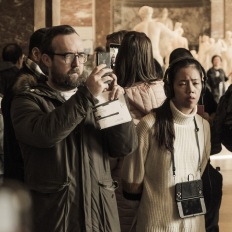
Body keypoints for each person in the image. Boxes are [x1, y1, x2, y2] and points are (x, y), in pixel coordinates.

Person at [10, 25, 138, 232]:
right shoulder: (27, 100)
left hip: (100, 216)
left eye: (81, 55)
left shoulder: (95, 96)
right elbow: (45, 135)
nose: (77, 64)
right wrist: (87, 95)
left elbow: (125, 146)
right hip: (57, 218)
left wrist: (115, 104)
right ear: (46, 59)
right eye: (68, 56)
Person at [122, 48, 211, 232]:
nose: (191, 90)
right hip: (157, 224)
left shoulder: (203, 126)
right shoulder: (150, 125)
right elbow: (132, 182)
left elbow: (199, 169)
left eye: (195, 83)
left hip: (194, 224)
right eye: (182, 84)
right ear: (170, 88)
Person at [112, 31, 166, 232]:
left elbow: (112, 153)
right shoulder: (164, 94)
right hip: (159, 182)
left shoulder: (116, 97)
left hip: (124, 182)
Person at [2, 28, 49, 183]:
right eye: (53, 54)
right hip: (25, 178)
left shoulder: (36, 79)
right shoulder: (23, 85)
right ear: (36, 54)